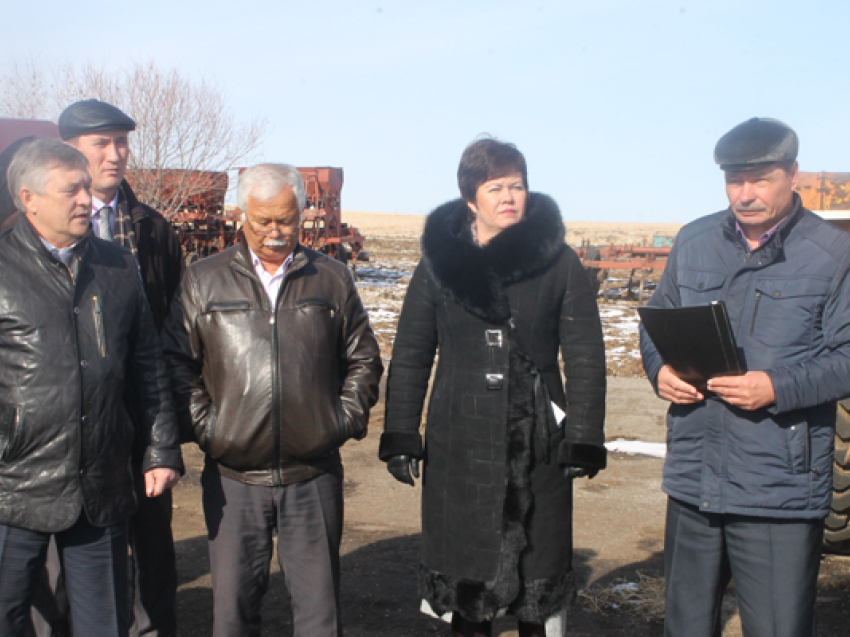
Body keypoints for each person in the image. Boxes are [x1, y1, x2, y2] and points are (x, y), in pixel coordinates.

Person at [380, 137, 607, 637]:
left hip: (539, 446)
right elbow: (413, 352)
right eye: (495, 187)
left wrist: (584, 437)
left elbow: (587, 353)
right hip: (457, 442)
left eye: (518, 186)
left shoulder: (560, 262)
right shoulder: (439, 265)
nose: (509, 197)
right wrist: (401, 433)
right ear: (470, 199)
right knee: (468, 594)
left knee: (537, 589)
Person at [639, 118, 850, 637]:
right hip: (694, 480)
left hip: (777, 488)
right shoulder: (694, 241)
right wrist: (659, 369)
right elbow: (655, 323)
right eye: (735, 180)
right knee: (685, 627)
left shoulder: (833, 255)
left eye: (761, 179)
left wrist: (776, 387)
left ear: (793, 174)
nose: (746, 193)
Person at [162, 163, 383, 637]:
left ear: (302, 213)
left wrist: (338, 422)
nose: (277, 232)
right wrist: (210, 429)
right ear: (241, 215)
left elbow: (364, 360)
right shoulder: (203, 281)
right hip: (233, 479)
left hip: (313, 476)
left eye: (287, 219)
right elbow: (176, 365)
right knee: (233, 616)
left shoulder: (332, 279)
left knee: (319, 616)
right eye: (264, 221)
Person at [0, 138, 183, 637]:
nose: (85, 199)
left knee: (104, 621)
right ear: (28, 198)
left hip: (101, 479)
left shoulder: (117, 266)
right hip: (13, 483)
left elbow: (147, 364)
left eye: (86, 187)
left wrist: (161, 448)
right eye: (70, 190)